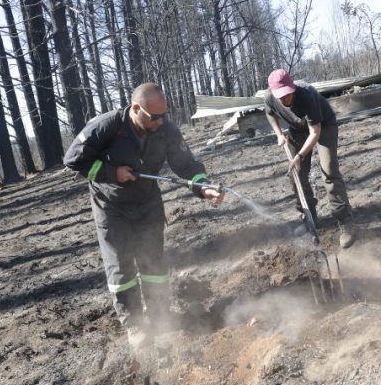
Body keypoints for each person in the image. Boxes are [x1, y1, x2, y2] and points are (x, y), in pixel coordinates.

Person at [64, 83, 224, 347]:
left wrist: (203, 186)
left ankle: (160, 315)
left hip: (147, 203)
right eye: (155, 116)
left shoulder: (166, 129)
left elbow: (186, 165)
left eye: (164, 115)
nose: (161, 121)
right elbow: (73, 160)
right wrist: (112, 173)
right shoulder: (108, 126)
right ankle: (135, 324)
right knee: (121, 265)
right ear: (136, 109)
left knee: (153, 263)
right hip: (111, 207)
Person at [263, 69, 355, 248]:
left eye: (288, 94)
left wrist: (299, 155)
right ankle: (309, 217)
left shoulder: (306, 94)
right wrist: (279, 134)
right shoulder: (269, 97)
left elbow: (315, 132)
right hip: (298, 130)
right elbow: (269, 113)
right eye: (281, 96)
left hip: (324, 126)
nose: (285, 98)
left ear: (292, 87)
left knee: (329, 172)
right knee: (295, 174)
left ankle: (346, 222)